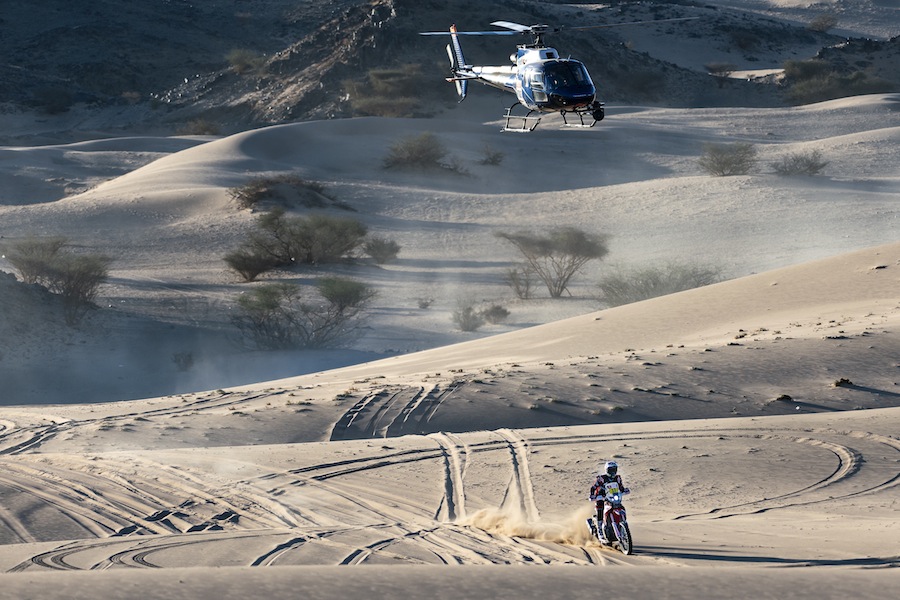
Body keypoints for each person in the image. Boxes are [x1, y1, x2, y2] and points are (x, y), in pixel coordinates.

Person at [589, 460, 629, 542]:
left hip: (612, 497)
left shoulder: (618, 478)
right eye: (610, 470)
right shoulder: (601, 479)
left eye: (614, 470)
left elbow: (620, 487)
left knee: (621, 507)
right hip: (601, 497)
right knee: (600, 510)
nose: (612, 472)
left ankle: (622, 525)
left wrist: (624, 490)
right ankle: (600, 531)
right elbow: (593, 487)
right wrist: (593, 495)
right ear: (606, 470)